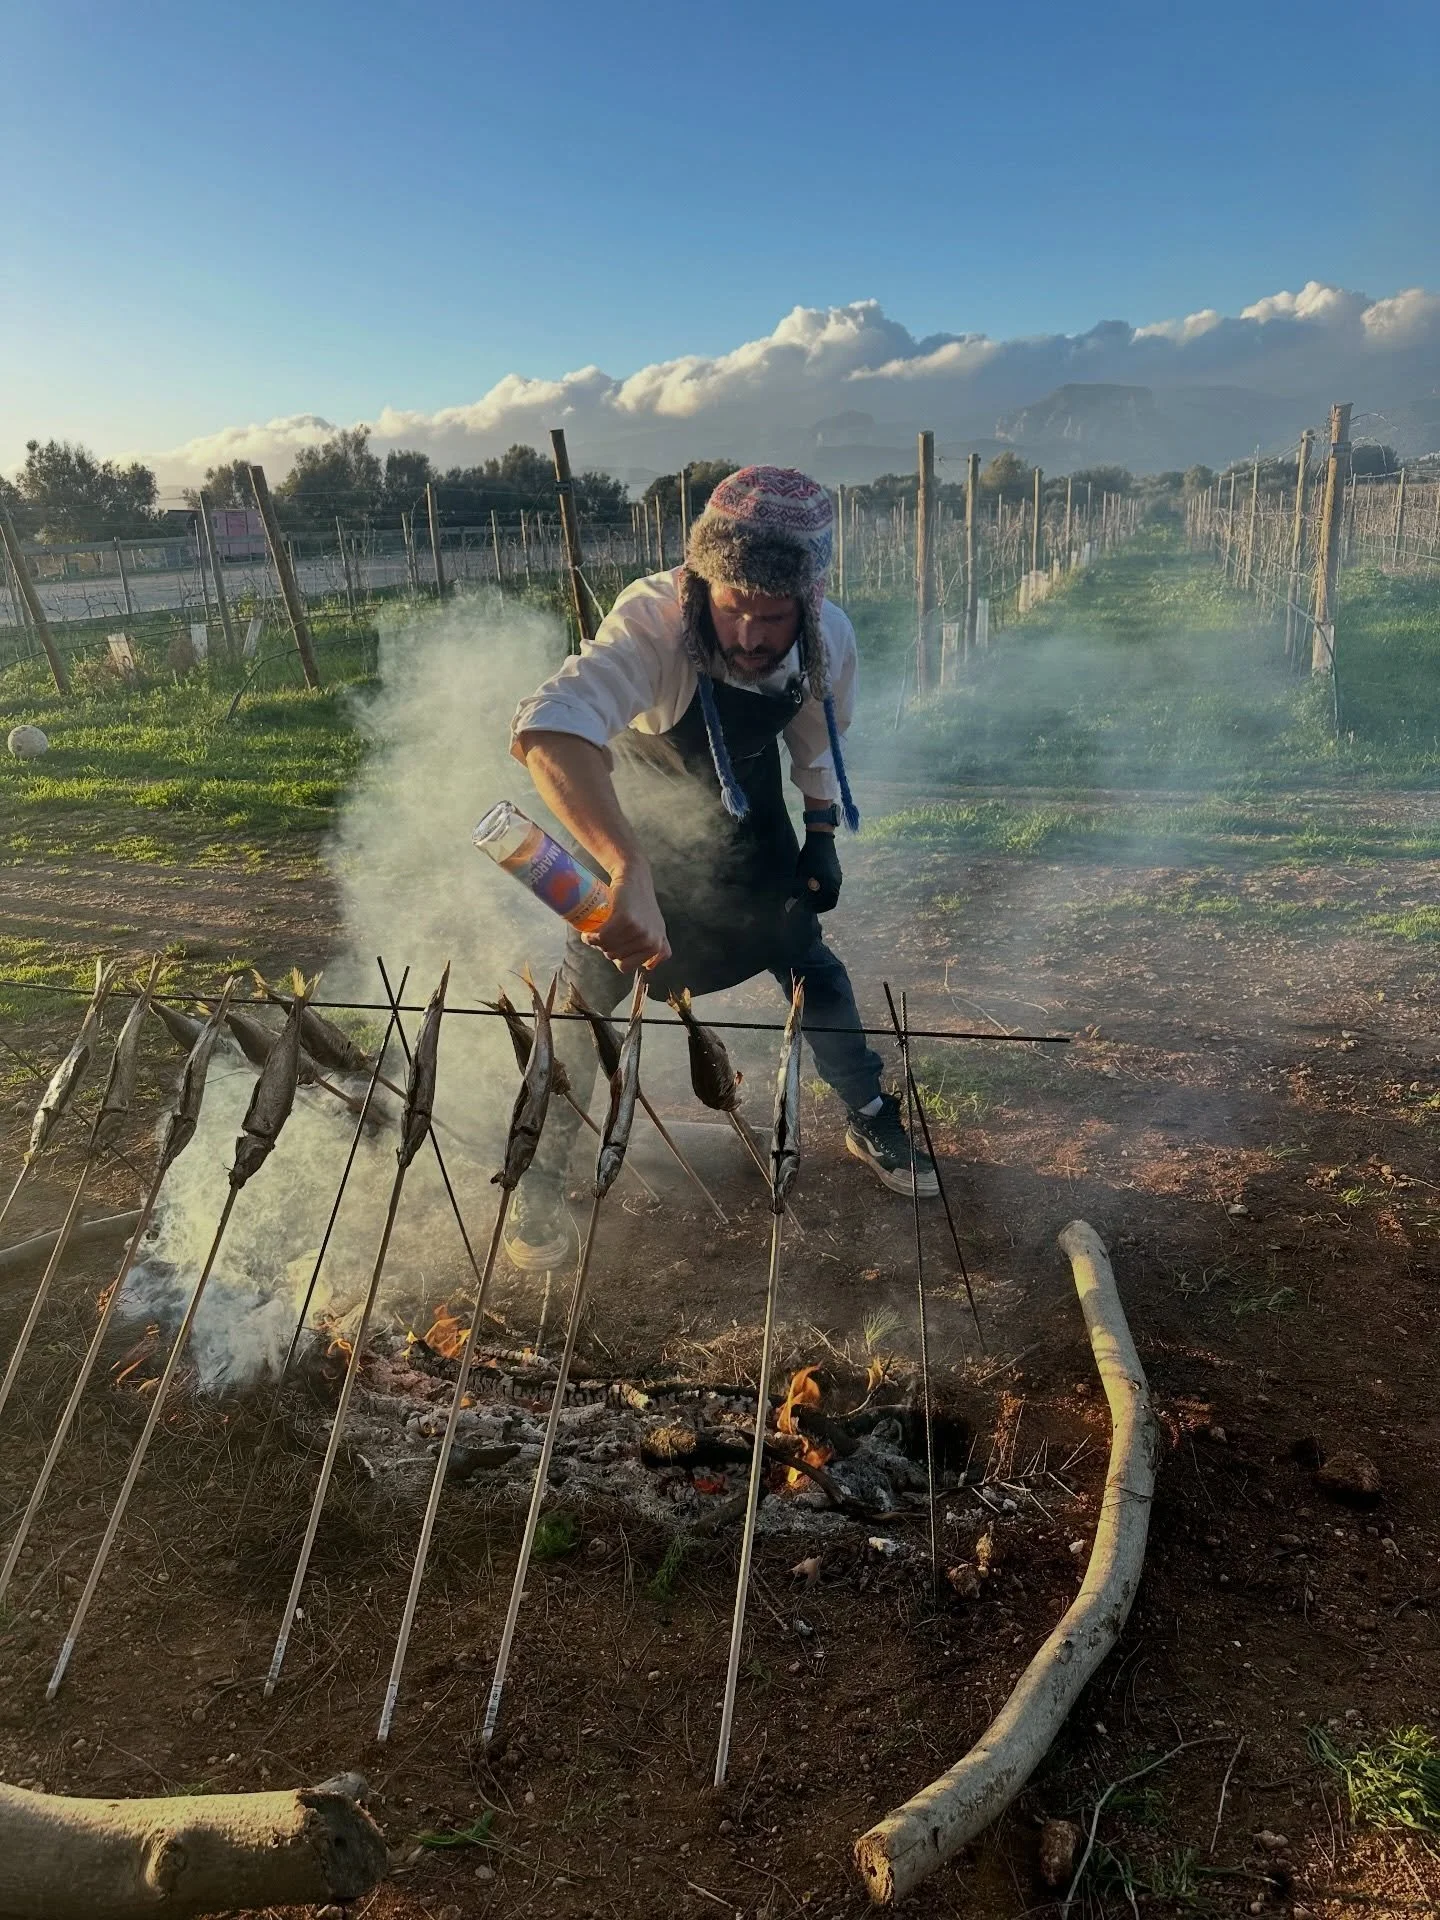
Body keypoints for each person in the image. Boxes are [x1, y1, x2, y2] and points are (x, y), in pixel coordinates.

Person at [504, 464, 936, 1269]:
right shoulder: (653, 620)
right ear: (702, 580)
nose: (748, 634)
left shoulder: (826, 635)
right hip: (633, 839)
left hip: (751, 831)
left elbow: (817, 739)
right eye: (732, 606)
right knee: (581, 1007)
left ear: (805, 602)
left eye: (771, 616)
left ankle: (870, 1112)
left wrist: (822, 837)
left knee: (812, 964)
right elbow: (551, 728)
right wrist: (626, 868)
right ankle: (540, 1174)